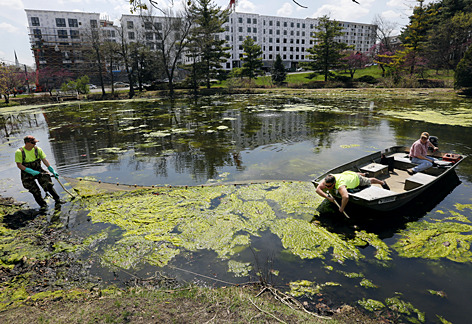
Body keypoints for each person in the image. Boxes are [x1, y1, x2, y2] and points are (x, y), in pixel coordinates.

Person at [15, 135, 64, 208]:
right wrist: (30, 171)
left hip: (38, 170)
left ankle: (57, 200)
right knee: (35, 191)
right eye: (33, 143)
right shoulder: (19, 152)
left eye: (35, 143)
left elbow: (44, 160)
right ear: (27, 143)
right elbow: (19, 165)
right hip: (26, 173)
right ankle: (43, 206)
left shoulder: (37, 149)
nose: (35, 144)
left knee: (48, 184)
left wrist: (52, 170)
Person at [315, 171, 390, 213]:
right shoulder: (328, 178)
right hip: (346, 174)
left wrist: (342, 208)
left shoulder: (340, 186)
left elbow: (346, 197)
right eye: (325, 185)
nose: (326, 187)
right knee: (354, 174)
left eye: (328, 186)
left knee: (369, 180)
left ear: (334, 184)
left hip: (356, 179)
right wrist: (328, 197)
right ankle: (364, 173)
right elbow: (317, 189)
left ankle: (382, 182)